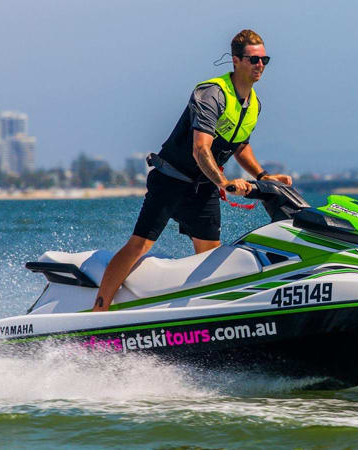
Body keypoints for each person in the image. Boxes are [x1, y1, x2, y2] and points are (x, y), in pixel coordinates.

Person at [92, 29, 291, 312]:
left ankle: (202, 314)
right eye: (253, 60)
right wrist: (223, 181)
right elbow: (201, 148)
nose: (260, 66)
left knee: (210, 257)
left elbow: (240, 144)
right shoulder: (212, 94)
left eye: (264, 60)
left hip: (203, 188)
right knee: (140, 244)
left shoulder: (253, 104)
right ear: (236, 60)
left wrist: (261, 176)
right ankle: (100, 309)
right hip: (170, 179)